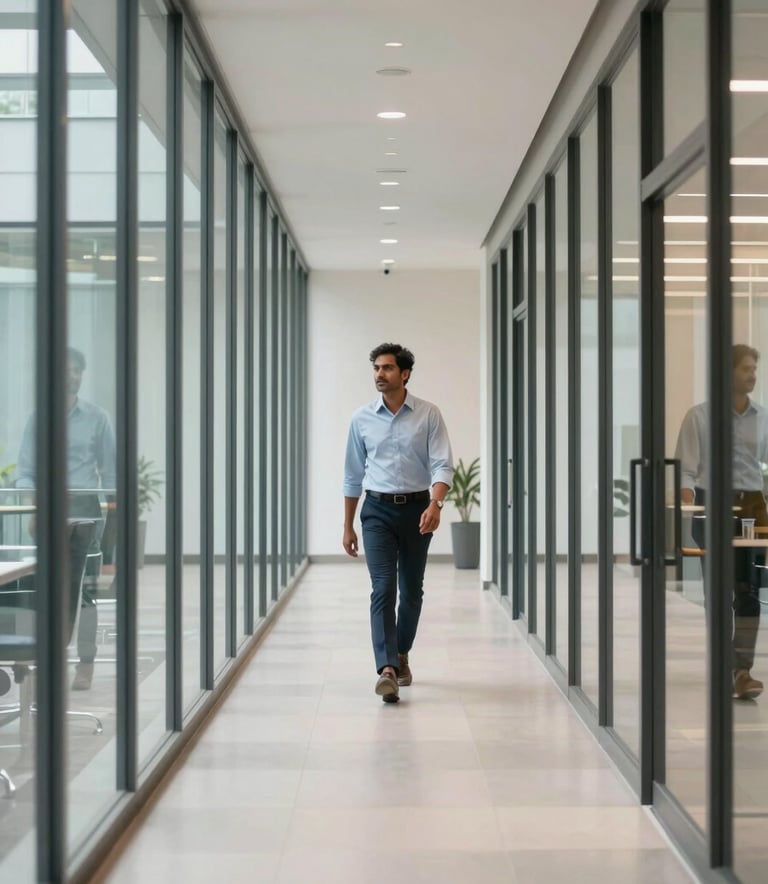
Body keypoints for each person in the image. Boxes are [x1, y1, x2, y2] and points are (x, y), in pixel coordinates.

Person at [342, 343, 453, 703]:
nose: (379, 374)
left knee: (411, 591)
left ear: (404, 373)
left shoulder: (428, 414)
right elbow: (352, 476)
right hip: (376, 512)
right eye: (376, 368)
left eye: (387, 368)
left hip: (419, 509)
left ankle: (401, 651)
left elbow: (442, 465)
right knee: (383, 588)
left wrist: (436, 504)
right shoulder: (361, 419)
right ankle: (387, 668)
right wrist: (348, 525)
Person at [16, 346, 116, 691]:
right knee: (46, 588)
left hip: (85, 515)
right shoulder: (39, 417)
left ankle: (85, 663)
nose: (70, 374)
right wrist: (35, 503)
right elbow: (25, 471)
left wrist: (111, 520)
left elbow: (111, 472)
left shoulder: (97, 418)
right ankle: (46, 658)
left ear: (81, 375)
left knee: (83, 593)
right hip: (48, 513)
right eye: (64, 369)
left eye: (76, 369)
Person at [676, 343, 768, 700]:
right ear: (727, 373)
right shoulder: (700, 416)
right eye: (745, 369)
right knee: (720, 592)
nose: (752, 375)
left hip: (752, 508)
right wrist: (688, 502)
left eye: (754, 369)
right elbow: (685, 469)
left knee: (749, 592)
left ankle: (741, 670)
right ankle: (728, 666)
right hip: (712, 505)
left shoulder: (762, 417)